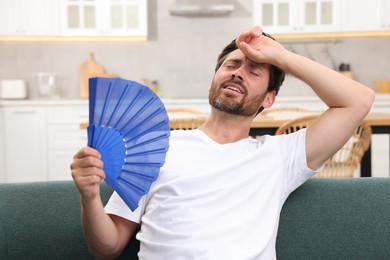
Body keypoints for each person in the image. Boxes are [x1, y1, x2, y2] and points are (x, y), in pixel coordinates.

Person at [71, 26, 375, 259]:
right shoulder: (155, 148)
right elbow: (107, 248)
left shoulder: (281, 156)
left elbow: (358, 101)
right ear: (213, 80)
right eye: (231, 65)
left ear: (269, 98)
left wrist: (279, 56)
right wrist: (89, 196)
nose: (239, 73)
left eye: (254, 70)